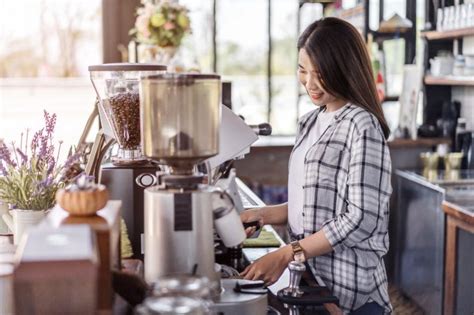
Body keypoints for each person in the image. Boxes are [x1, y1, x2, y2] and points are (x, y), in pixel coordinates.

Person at [240, 17, 392, 315]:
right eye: (302, 70)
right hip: (310, 280)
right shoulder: (310, 121)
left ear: (343, 69)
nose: (309, 83)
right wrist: (265, 214)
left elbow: (362, 218)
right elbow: (314, 201)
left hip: (350, 291)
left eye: (319, 73)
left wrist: (288, 253)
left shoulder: (362, 125)